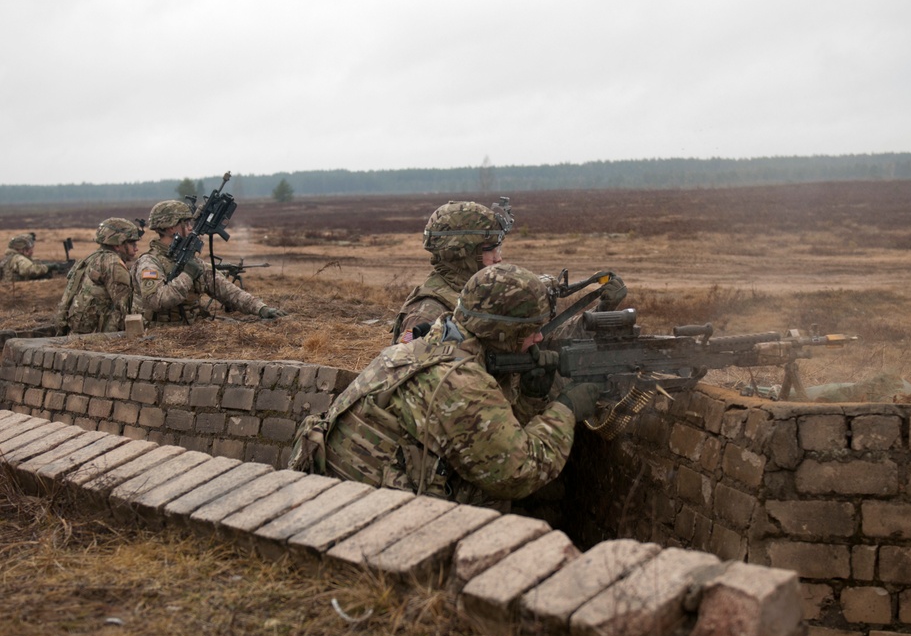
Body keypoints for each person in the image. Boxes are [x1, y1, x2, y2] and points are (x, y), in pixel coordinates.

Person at [289, 263, 603, 509]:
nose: (539, 338)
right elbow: (517, 473)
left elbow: (482, 433)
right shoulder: (462, 384)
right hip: (369, 521)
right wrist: (566, 408)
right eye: (533, 330)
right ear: (503, 332)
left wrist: (531, 397)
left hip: (336, 498)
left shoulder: (424, 343)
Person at [132, 199, 285, 324]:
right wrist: (187, 275)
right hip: (159, 333)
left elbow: (226, 290)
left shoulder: (190, 260)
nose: (191, 228)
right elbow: (156, 300)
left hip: (192, 329)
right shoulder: (149, 263)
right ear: (172, 228)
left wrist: (261, 309)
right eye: (186, 224)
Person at [391, 199, 513, 343]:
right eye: (490, 250)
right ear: (462, 253)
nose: (498, 258)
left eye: (498, 248)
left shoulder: (473, 292)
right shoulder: (428, 313)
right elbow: (404, 361)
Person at [53, 218, 141, 335]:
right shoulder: (112, 263)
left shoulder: (89, 258)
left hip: (75, 331)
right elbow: (127, 307)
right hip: (98, 335)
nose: (136, 248)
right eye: (132, 243)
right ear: (117, 245)